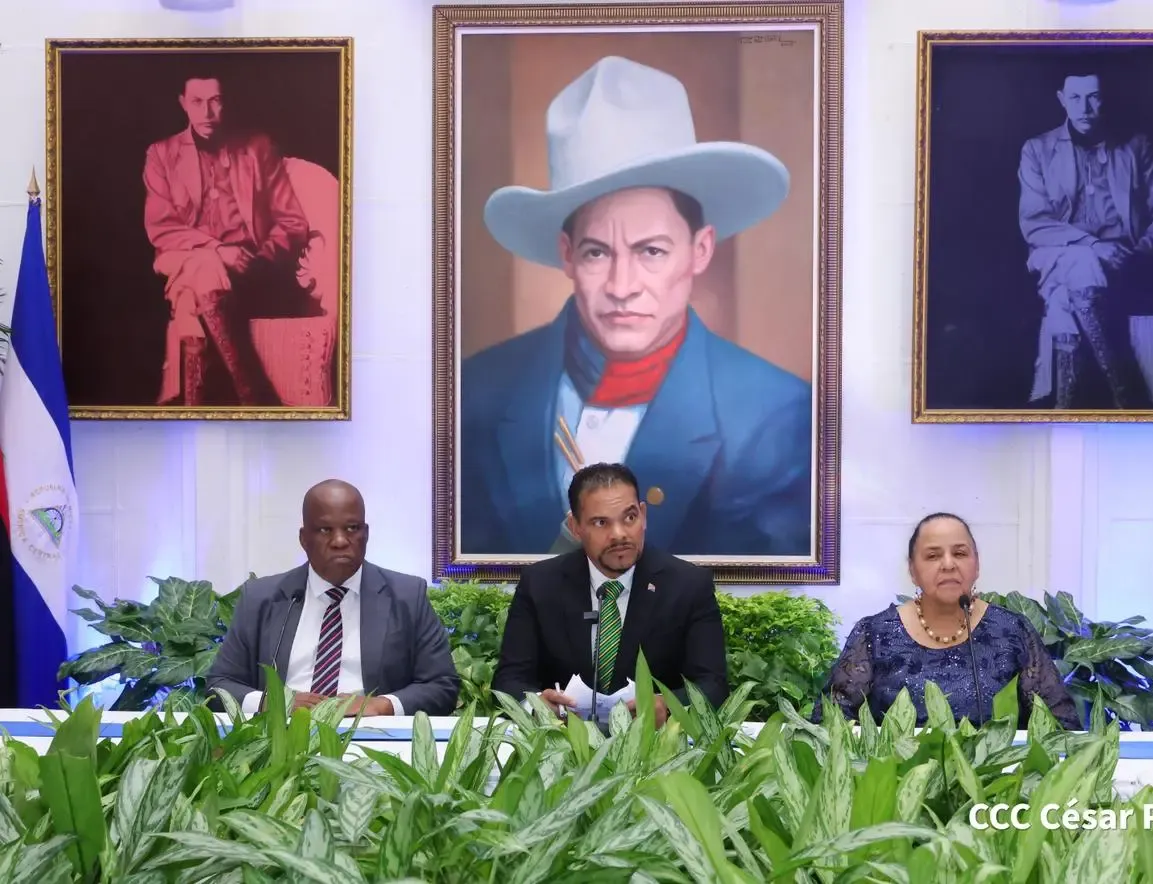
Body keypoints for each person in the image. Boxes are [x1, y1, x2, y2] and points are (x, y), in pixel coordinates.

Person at [460, 55, 811, 558]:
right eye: (597, 252)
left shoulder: (775, 415)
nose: (622, 286)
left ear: (700, 250)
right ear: (566, 255)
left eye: (651, 251)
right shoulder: (479, 390)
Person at [492, 462, 729, 727]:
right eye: (601, 522)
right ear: (575, 527)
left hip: (656, 745)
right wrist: (536, 705)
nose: (619, 535)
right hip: (561, 742)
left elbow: (713, 685)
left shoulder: (689, 585)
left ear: (643, 515)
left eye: (629, 518)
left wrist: (669, 706)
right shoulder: (539, 584)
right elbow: (508, 681)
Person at [1017, 66, 1153, 410]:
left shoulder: (1136, 147)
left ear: (1105, 99)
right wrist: (1093, 246)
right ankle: (1127, 395)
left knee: (1062, 300)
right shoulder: (1037, 150)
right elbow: (1034, 223)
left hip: (1122, 262)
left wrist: (1135, 253)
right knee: (1082, 260)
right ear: (1061, 100)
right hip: (1055, 254)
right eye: (1075, 98)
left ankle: (1066, 408)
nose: (1084, 108)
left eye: (1093, 97)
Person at [207, 480, 460, 716]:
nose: (340, 541)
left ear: (366, 534)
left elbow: (442, 685)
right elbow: (219, 685)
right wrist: (271, 702)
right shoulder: (261, 598)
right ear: (304, 539)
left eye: (352, 528)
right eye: (325, 530)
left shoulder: (407, 596)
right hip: (282, 737)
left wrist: (382, 705)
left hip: (372, 739)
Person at [811, 513, 1082, 729]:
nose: (949, 564)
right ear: (912, 570)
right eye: (933, 556)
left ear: (977, 565)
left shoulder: (1012, 631)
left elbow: (1060, 724)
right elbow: (831, 723)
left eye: (960, 553)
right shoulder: (875, 634)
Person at [143, 72, 316, 407]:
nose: (207, 112)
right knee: (205, 265)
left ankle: (193, 411)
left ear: (227, 102)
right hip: (184, 257)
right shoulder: (161, 154)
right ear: (183, 103)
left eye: (215, 101)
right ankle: (252, 395)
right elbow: (161, 228)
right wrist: (219, 251)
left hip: (246, 271)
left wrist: (260, 260)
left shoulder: (258, 148)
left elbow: (292, 222)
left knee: (189, 301)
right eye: (197, 102)